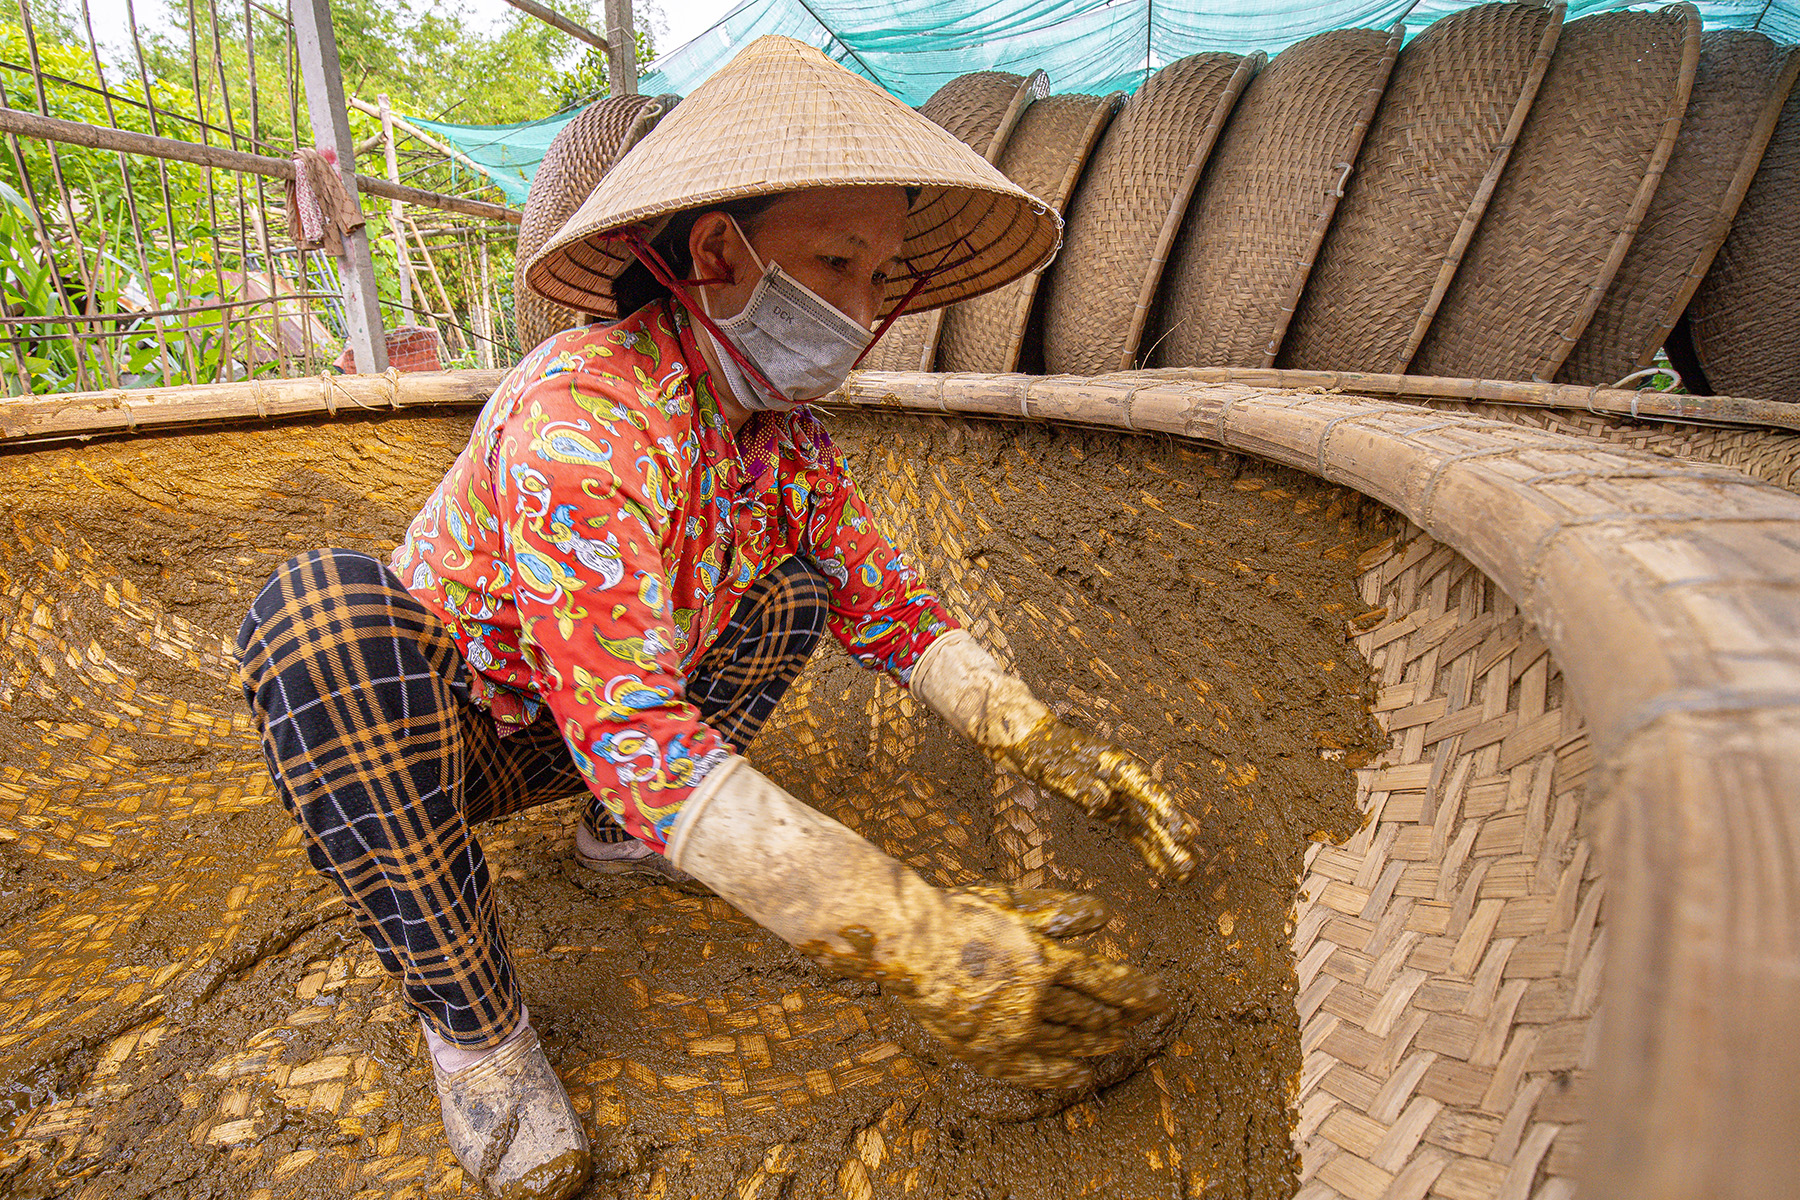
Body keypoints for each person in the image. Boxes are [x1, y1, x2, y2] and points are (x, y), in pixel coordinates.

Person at [237, 36, 1201, 1200]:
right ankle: (479, 1032)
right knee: (319, 624)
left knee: (793, 590)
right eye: (836, 261)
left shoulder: (786, 447)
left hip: (595, 746)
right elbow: (636, 728)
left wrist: (1043, 740)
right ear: (714, 251)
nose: (860, 309)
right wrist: (914, 936)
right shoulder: (582, 414)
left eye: (879, 277)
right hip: (452, 733)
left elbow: (889, 609)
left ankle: (623, 834)